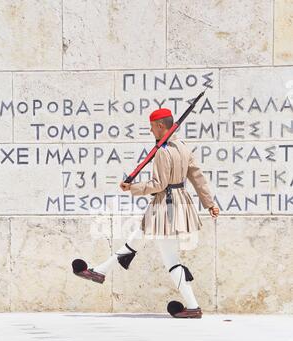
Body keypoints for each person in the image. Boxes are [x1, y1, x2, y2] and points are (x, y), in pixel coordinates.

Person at [89, 108, 219, 318]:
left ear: (160, 126)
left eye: (152, 127)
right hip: (178, 203)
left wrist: (132, 188)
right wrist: (209, 203)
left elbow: (158, 184)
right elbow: (197, 177)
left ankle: (193, 307)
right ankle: (101, 271)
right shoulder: (183, 147)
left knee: (168, 258)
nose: (151, 131)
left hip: (164, 205)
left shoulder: (162, 151)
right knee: (138, 240)